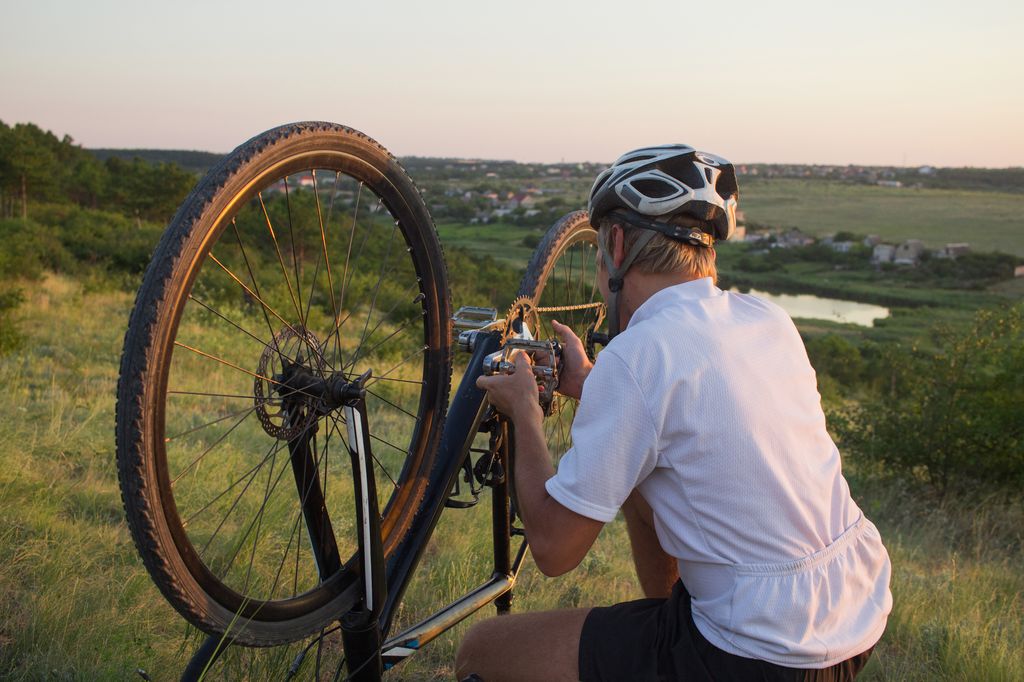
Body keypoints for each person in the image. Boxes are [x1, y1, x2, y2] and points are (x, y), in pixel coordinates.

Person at [455, 145, 892, 681]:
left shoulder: (638, 354)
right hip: (856, 612)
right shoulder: (767, 319)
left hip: (758, 653)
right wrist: (595, 386)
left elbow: (552, 548)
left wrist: (524, 414)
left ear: (615, 245)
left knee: (482, 650)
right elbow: (699, 419)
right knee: (645, 483)